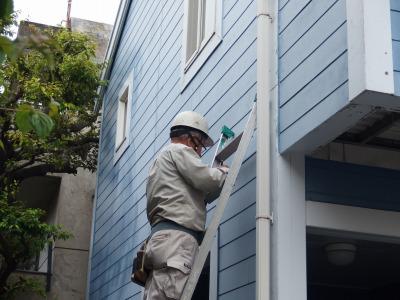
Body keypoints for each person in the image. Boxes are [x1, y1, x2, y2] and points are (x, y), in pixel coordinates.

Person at [143, 111, 228, 300]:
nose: (199, 152)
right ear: (191, 139)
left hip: (161, 240)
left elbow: (193, 192)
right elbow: (205, 178)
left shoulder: (160, 161)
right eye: (200, 146)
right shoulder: (179, 151)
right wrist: (222, 172)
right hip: (177, 241)